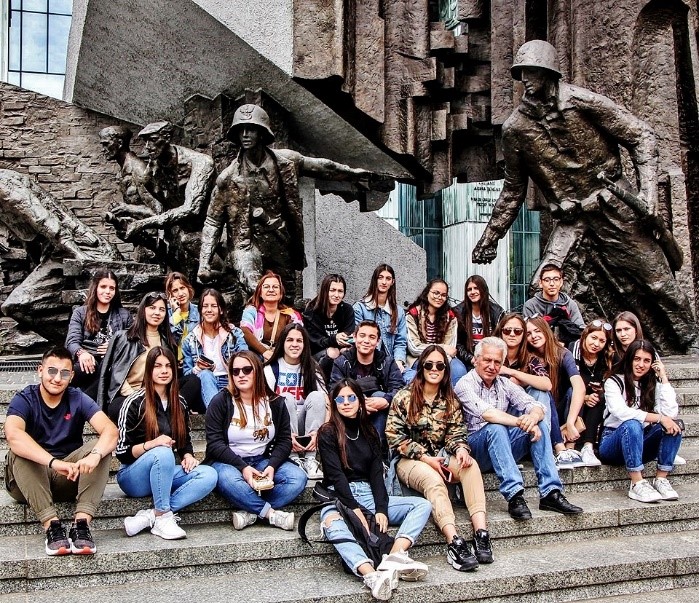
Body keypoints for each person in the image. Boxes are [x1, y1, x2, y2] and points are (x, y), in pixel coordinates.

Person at [471, 40, 697, 355]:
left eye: (533, 72)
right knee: (543, 286)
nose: (526, 79)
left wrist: (647, 192)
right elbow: (513, 189)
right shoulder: (515, 129)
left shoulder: (581, 102)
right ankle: (562, 357)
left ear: (549, 73)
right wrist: (490, 238)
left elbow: (641, 135)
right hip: (572, 219)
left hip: (613, 204)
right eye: (522, 73)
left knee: (657, 280)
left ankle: (690, 341)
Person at [198, 104, 388, 300]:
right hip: (246, 244)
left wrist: (354, 174)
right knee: (257, 290)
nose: (245, 134)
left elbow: (323, 168)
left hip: (279, 239)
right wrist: (204, 262)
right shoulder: (227, 179)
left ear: (262, 133)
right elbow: (213, 221)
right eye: (241, 130)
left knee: (287, 295)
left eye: (251, 129)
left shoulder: (286, 162)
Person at [318, 379, 431, 600]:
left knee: (422, 505)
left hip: (368, 493)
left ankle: (395, 556)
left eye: (351, 397)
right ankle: (371, 575)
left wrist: (381, 508)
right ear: (334, 403)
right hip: (339, 497)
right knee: (332, 525)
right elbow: (336, 476)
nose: (346, 402)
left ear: (360, 401)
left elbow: (376, 475)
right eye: (340, 399)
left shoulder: (369, 431)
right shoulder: (327, 432)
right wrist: (354, 509)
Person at [386, 345, 494, 572]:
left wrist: (461, 449)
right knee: (433, 479)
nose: (434, 369)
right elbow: (395, 438)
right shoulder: (404, 397)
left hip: (441, 456)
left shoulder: (450, 400)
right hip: (409, 461)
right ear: (421, 367)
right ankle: (454, 541)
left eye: (440, 365)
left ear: (445, 369)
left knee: (470, 465)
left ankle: (481, 533)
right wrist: (426, 458)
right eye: (429, 364)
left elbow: (456, 433)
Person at [5, 347, 118, 555]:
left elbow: (110, 431)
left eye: (64, 373)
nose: (57, 378)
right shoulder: (25, 398)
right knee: (18, 451)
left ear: (71, 376)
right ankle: (52, 527)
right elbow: (13, 435)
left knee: (100, 447)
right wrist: (54, 462)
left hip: (68, 477)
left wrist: (95, 455)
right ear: (40, 371)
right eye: (52, 371)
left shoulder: (77, 398)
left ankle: (81, 526)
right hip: (28, 481)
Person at [455, 337, 583, 519]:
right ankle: (515, 496)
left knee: (539, 423)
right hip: (475, 452)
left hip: (502, 447)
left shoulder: (503, 383)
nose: (492, 366)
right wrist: (521, 422)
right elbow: (488, 414)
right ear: (476, 360)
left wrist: (532, 418)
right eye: (487, 360)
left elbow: (535, 405)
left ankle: (551, 493)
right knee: (496, 427)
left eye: (497, 362)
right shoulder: (464, 384)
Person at [115, 347, 218, 539]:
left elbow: (184, 440)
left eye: (168, 366)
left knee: (209, 474)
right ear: (149, 370)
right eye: (158, 366)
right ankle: (163, 517)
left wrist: (188, 455)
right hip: (133, 477)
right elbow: (122, 453)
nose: (164, 371)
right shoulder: (133, 402)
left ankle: (153, 515)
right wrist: (151, 444)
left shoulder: (179, 402)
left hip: (164, 474)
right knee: (162, 452)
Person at [204, 351, 307, 531]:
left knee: (298, 478)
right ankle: (270, 514)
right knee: (227, 479)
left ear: (257, 371)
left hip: (262, 460)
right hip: (229, 462)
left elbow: (284, 441)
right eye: (235, 371)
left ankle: (251, 512)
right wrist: (243, 468)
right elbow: (214, 444)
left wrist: (272, 466)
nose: (241, 375)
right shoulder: (220, 401)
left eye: (247, 369)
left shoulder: (275, 402)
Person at [124, 121, 215, 278]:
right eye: (145, 141)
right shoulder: (153, 172)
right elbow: (163, 206)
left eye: (153, 140)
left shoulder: (200, 162)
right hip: (182, 232)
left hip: (213, 229)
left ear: (167, 138)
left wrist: (142, 223)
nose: (147, 147)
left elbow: (192, 208)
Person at [599, 340, 683, 503]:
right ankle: (637, 483)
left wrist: (663, 378)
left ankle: (661, 479)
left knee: (675, 425)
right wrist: (659, 418)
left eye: (646, 361)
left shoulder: (652, 384)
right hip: (612, 443)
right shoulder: (614, 381)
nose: (641, 365)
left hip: (641, 442)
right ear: (629, 359)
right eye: (637, 359)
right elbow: (620, 411)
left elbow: (670, 413)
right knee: (632, 424)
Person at [98, 291, 196, 420]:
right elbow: (117, 376)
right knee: (118, 408)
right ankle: (163, 414)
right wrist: (139, 398)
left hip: (159, 394)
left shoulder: (167, 341)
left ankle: (168, 411)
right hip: (130, 395)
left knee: (193, 381)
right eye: (152, 308)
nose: (157, 313)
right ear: (143, 310)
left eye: (162, 309)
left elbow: (169, 376)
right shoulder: (124, 337)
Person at [263, 324, 329, 480]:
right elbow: (264, 406)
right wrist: (286, 437)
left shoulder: (312, 367)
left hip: (308, 425)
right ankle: (292, 457)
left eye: (299, 340)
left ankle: (311, 459)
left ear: (305, 344)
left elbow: (327, 403)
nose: (294, 344)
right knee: (286, 397)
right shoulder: (270, 369)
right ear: (282, 343)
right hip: (280, 427)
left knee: (317, 396)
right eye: (290, 340)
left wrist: (321, 432)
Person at [526, 316, 588, 468]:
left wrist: (570, 422)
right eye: (528, 333)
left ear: (546, 330)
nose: (533, 336)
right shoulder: (526, 356)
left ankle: (570, 447)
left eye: (537, 331)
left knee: (573, 391)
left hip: (561, 413)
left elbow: (579, 386)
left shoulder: (562, 353)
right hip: (539, 414)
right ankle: (559, 448)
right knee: (543, 392)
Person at [330, 320, 404, 446]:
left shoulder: (387, 362)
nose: (366, 341)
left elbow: (400, 389)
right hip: (350, 412)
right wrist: (359, 404)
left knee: (379, 395)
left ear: (378, 341)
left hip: (379, 412)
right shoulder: (342, 362)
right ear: (354, 337)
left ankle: (379, 448)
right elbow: (334, 391)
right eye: (362, 335)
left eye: (372, 337)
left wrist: (386, 400)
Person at [65, 269, 133, 400]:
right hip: (86, 362)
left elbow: (133, 341)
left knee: (107, 369)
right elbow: (72, 341)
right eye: (103, 286)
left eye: (112, 288)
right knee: (71, 371)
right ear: (95, 287)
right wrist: (81, 353)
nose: (108, 291)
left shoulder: (125, 315)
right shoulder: (80, 313)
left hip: (113, 364)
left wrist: (114, 347)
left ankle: (80, 402)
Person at [182, 288, 248, 408]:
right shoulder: (190, 340)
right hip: (203, 385)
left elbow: (246, 358)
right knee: (206, 374)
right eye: (205, 306)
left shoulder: (234, 334)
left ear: (221, 310)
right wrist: (198, 368)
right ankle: (217, 413)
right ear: (200, 310)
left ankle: (219, 411)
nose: (209, 310)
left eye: (213, 306)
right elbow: (187, 375)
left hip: (230, 382)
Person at [568, 319, 615, 466]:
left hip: (594, 405)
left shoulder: (606, 356)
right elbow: (565, 383)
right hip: (570, 399)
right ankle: (571, 444)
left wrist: (601, 389)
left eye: (601, 341)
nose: (596, 344)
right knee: (573, 392)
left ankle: (588, 446)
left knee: (601, 397)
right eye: (593, 338)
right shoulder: (573, 350)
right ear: (585, 336)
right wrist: (584, 397)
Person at [405, 279, 468, 386]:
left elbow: (450, 349)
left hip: (444, 358)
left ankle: (453, 397)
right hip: (419, 358)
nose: (439, 297)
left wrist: (440, 362)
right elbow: (414, 348)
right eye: (436, 293)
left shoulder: (451, 317)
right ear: (427, 293)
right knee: (428, 369)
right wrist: (442, 347)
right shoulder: (413, 314)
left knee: (458, 370)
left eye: (443, 295)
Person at [353, 264, 408, 378]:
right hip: (368, 365)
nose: (384, 282)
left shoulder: (399, 312)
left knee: (412, 378)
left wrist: (398, 361)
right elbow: (358, 341)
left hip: (391, 363)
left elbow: (400, 342)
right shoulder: (360, 308)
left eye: (388, 278)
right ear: (375, 279)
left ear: (392, 282)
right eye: (380, 277)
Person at [240, 271, 303, 362]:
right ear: (260, 292)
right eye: (266, 287)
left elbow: (298, 337)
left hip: (284, 356)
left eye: (275, 287)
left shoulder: (291, 315)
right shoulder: (251, 312)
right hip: (258, 357)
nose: (271, 290)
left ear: (281, 293)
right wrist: (264, 351)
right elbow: (245, 331)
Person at [303, 273, 355, 381]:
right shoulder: (312, 311)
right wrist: (335, 339)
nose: (336, 295)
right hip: (316, 355)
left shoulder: (347, 310)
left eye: (340, 291)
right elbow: (315, 342)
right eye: (332, 290)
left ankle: (347, 385)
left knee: (348, 351)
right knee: (332, 352)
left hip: (340, 349)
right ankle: (323, 385)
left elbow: (349, 333)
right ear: (325, 291)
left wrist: (345, 340)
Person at [522, 264, 584, 346]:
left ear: (561, 282)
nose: (552, 284)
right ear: (540, 283)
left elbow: (580, 330)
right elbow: (529, 333)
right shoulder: (530, 305)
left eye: (556, 279)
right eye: (547, 280)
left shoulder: (570, 304)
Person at [454, 275, 505, 368]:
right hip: (467, 360)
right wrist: (471, 359)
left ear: (483, 289)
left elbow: (500, 340)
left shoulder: (497, 312)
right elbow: (458, 343)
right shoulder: (458, 312)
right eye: (469, 289)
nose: (472, 292)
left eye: (476, 288)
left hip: (491, 358)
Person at [165, 271, 200, 362]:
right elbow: (170, 340)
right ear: (170, 294)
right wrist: (177, 312)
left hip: (193, 362)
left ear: (188, 288)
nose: (180, 294)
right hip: (171, 362)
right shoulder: (165, 313)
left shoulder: (199, 312)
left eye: (182, 288)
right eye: (175, 290)